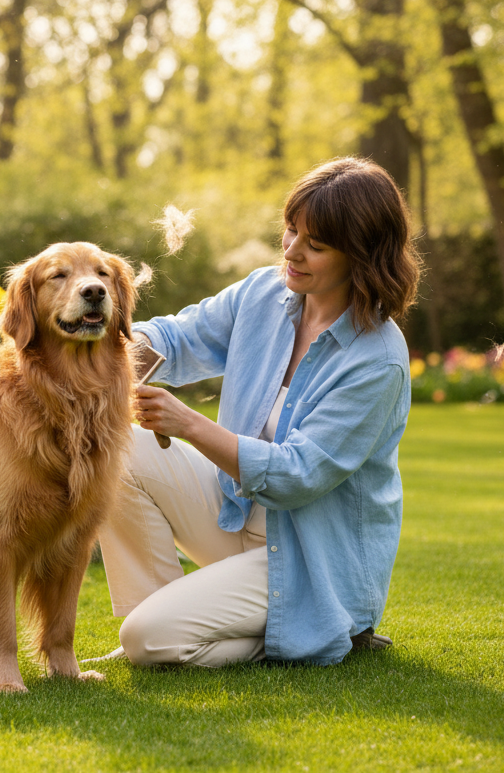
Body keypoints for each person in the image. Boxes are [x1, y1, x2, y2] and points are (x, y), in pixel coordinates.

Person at [97, 157, 421, 667]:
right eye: (291, 230)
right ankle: (155, 624)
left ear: (362, 254)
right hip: (235, 517)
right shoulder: (263, 294)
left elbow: (296, 476)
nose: (291, 251)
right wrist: (89, 356)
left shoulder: (377, 361)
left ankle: (314, 629)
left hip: (310, 563)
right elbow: (175, 338)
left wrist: (189, 424)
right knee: (118, 450)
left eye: (316, 245)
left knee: (150, 639)